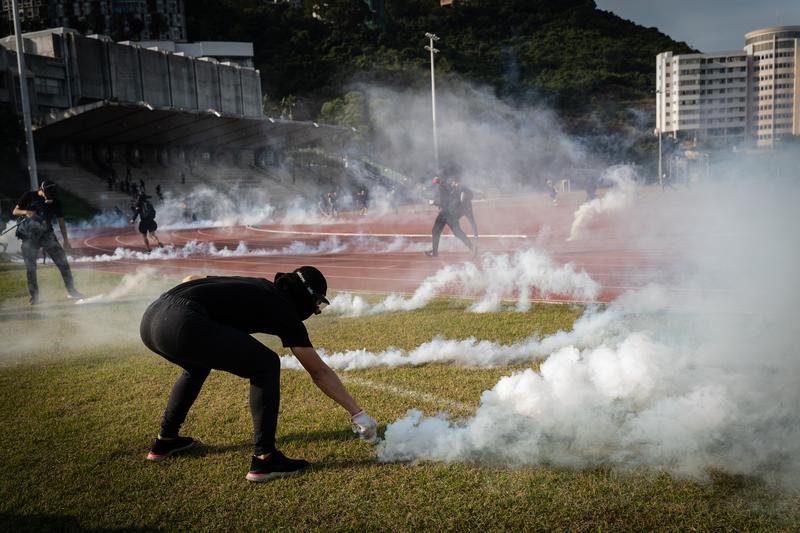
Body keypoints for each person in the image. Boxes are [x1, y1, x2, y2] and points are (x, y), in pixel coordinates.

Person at [139, 267, 378, 482]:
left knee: (197, 367)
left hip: (152, 319)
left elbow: (192, 278)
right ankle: (265, 458)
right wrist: (357, 413)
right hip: (182, 322)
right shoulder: (284, 309)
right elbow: (318, 371)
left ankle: (166, 440)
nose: (314, 310)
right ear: (306, 297)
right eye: (316, 304)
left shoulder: (258, 285)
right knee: (266, 364)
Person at [12, 180, 83, 305]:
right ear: (42, 190)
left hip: (47, 235)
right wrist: (26, 212)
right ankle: (34, 297)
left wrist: (66, 241)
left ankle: (72, 291)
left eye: (52, 195)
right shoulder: (29, 196)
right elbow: (15, 211)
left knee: (63, 263)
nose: (50, 197)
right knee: (31, 268)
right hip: (29, 236)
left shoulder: (55, 201)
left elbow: (61, 222)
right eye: (48, 194)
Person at [425, 176, 475, 258]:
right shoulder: (449, 187)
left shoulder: (442, 186)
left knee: (436, 231)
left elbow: (444, 202)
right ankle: (471, 247)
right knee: (457, 232)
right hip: (450, 213)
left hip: (445, 213)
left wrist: (434, 202)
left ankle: (435, 252)